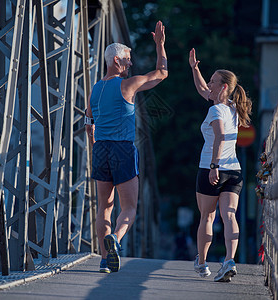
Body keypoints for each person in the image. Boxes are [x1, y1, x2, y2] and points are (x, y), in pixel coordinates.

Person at [85, 21, 168, 273]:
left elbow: (89, 125)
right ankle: (117, 240)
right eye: (128, 59)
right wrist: (160, 45)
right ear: (117, 60)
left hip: (101, 150)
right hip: (122, 148)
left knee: (104, 207)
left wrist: (95, 147)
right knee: (130, 207)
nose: (131, 64)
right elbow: (162, 73)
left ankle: (103, 259)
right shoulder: (128, 85)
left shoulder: (95, 89)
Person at [188, 48, 252, 282]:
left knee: (207, 217)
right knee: (229, 215)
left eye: (213, 81)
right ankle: (228, 260)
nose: (209, 84)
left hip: (210, 168)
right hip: (233, 171)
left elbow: (219, 136)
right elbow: (203, 90)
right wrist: (195, 69)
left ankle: (202, 264)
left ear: (223, 87)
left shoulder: (216, 110)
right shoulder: (234, 108)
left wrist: (214, 165)